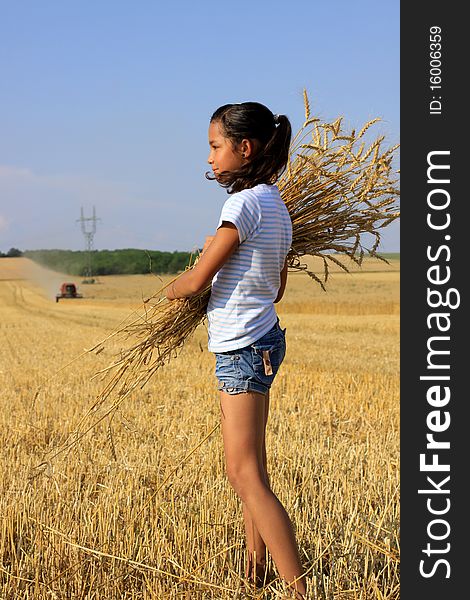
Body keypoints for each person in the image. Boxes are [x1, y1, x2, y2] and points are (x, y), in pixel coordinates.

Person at [166, 102, 307, 599]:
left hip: (242, 347)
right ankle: (256, 575)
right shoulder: (277, 206)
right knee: (254, 470)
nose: (209, 158)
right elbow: (276, 285)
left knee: (242, 473)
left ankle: (300, 588)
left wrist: (170, 290)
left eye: (214, 145)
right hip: (263, 338)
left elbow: (197, 280)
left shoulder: (241, 205)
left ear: (243, 149)